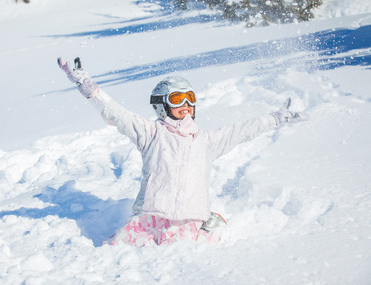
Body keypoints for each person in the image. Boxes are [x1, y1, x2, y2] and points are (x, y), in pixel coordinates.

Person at [57, 57, 306, 247]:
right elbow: (115, 113)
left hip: (188, 222)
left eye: (189, 98)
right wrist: (86, 84)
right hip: (148, 220)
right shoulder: (151, 133)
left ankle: (211, 223)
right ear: (163, 104)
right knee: (115, 253)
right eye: (177, 99)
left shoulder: (205, 141)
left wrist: (277, 118)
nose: (185, 105)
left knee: (187, 255)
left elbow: (243, 131)